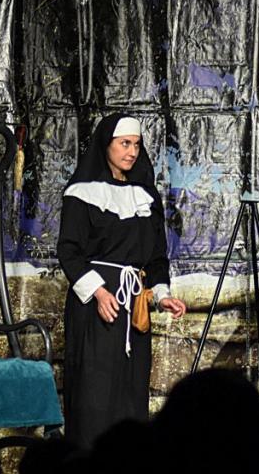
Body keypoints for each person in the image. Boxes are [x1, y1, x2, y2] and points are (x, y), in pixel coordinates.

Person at [57, 114, 187, 447]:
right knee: (94, 391)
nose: (131, 152)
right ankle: (87, 464)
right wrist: (99, 293)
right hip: (96, 305)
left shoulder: (145, 196)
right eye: (124, 144)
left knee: (131, 391)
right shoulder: (83, 193)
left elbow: (155, 257)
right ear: (107, 145)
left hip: (133, 302)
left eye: (137, 145)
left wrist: (162, 296)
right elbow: (69, 251)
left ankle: (129, 467)